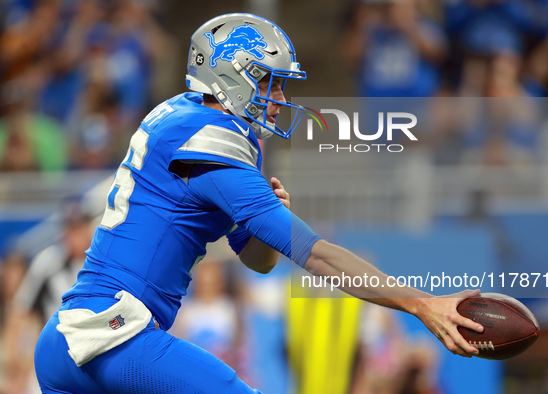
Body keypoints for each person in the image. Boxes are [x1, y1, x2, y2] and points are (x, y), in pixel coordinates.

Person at [34, 13, 484, 394]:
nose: (281, 100)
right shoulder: (210, 138)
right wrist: (423, 304)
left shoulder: (187, 119)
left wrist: (267, 219)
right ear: (233, 75)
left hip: (80, 338)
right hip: (113, 335)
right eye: (271, 82)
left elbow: (259, 260)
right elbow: (317, 255)